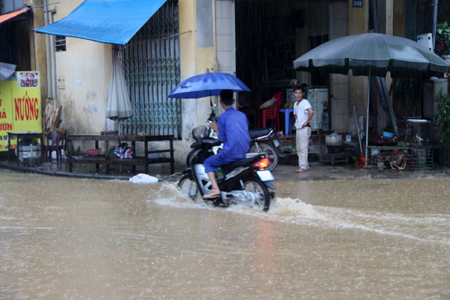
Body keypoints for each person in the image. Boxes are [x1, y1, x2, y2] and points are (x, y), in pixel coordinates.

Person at [203, 89, 251, 199]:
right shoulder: (242, 115)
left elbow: (223, 139)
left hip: (230, 153)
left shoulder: (223, 117)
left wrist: (216, 128)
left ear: (221, 102)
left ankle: (215, 189)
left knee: (208, 163)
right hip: (243, 152)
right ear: (233, 101)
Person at [293, 86, 314, 173]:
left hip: (305, 128)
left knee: (303, 148)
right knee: (299, 148)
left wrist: (306, 121)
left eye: (300, 93)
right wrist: (297, 122)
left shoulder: (305, 102)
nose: (298, 95)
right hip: (299, 128)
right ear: (294, 94)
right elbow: (295, 114)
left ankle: (303, 167)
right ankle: (306, 165)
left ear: (303, 94)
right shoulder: (295, 104)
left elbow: (311, 111)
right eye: (296, 93)